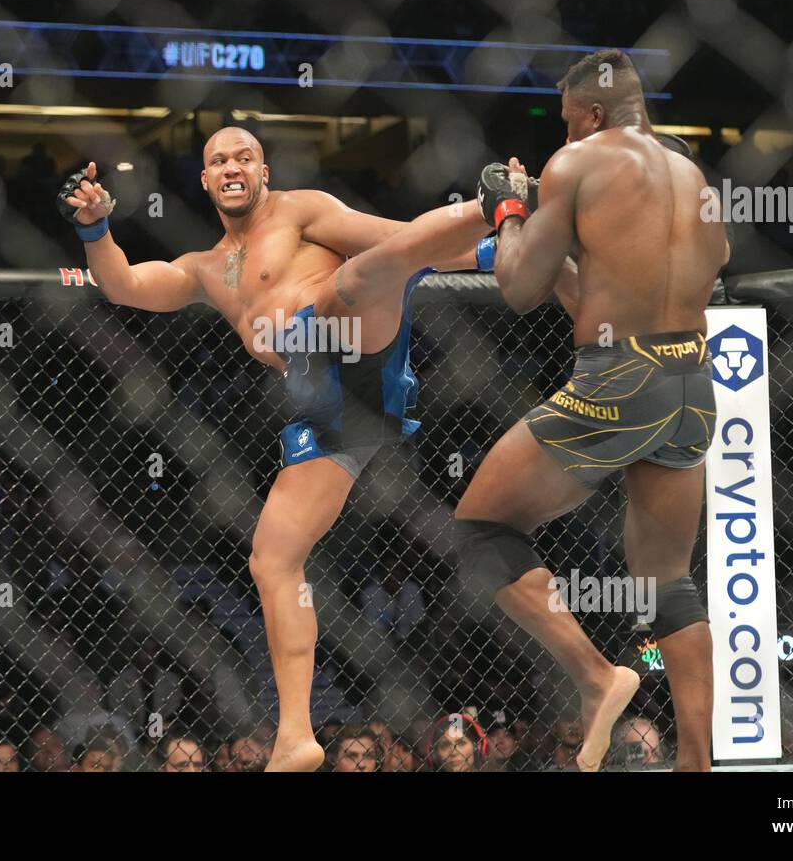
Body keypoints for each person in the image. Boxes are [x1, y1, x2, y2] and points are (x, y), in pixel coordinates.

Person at [59, 127, 491, 771]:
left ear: (263, 170)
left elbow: (397, 240)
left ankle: (496, 204)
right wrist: (95, 227)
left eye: (244, 157)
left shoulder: (302, 209)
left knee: (364, 273)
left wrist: (487, 246)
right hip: (320, 405)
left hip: (355, 347)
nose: (232, 167)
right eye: (218, 161)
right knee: (272, 560)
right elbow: (123, 286)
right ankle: (296, 736)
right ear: (204, 180)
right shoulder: (205, 269)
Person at [455, 48, 730, 771]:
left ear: (596, 113)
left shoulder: (575, 165)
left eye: (571, 121)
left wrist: (509, 209)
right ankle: (696, 766)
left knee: (482, 527)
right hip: (693, 381)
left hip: (620, 378)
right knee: (669, 581)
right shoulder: (690, 171)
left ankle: (595, 675)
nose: (567, 135)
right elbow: (704, 257)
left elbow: (518, 287)